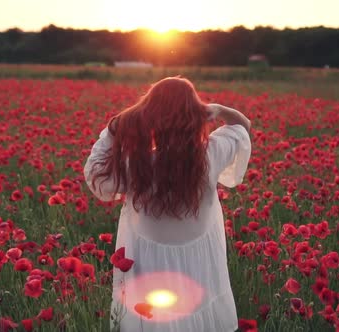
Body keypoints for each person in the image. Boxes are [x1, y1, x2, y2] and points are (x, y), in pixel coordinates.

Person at [83, 77, 251, 332]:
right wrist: (218, 109)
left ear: (149, 118)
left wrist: (114, 128)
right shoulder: (212, 153)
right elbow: (243, 127)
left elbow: (95, 173)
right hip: (199, 267)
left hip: (148, 264)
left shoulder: (136, 164)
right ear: (198, 116)